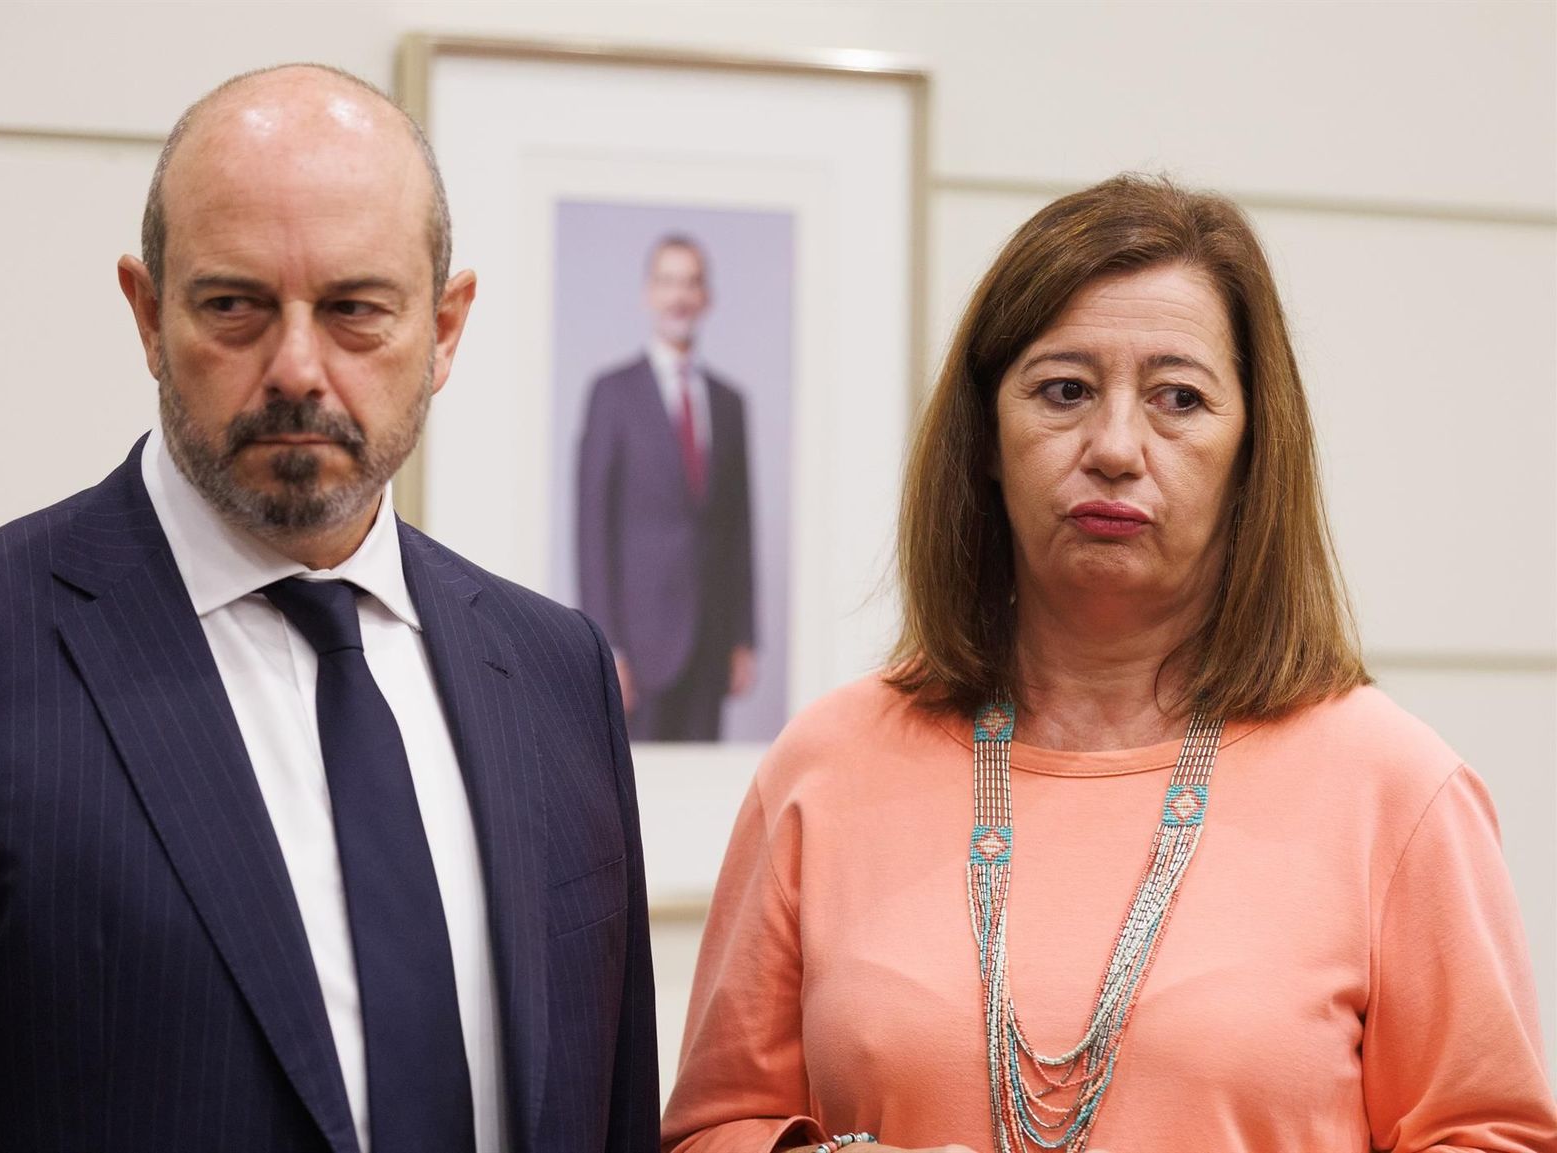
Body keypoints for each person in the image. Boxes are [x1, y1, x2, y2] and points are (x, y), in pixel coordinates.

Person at [662, 175, 1556, 1152]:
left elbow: (1493, 1134)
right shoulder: (824, 767)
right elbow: (715, 1124)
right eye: (1064, 391)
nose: (1115, 447)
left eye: (1178, 398)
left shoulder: (1395, 788)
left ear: (1251, 448)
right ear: (988, 440)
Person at [0, 64, 658, 1153]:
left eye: (354, 310)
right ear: (147, 315)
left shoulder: (555, 669)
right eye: (234, 306)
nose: (296, 367)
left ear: (446, 326)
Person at [577, 234, 756, 742]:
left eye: (692, 282)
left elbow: (739, 526)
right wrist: (605, 646)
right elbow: (592, 527)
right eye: (668, 281)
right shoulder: (612, 393)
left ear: (706, 298)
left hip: (711, 642)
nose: (680, 295)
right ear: (648, 294)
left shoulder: (729, 402)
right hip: (637, 645)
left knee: (698, 797)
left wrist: (743, 638)